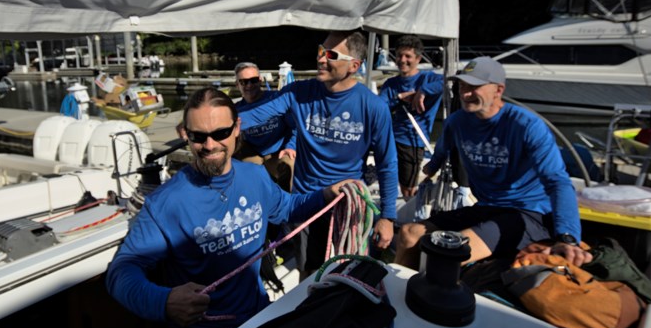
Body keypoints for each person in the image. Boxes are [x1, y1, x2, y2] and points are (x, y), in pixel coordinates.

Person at [105, 87, 357, 328]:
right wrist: (164, 302)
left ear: (237, 128)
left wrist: (326, 194)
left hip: (258, 318)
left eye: (220, 133)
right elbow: (121, 271)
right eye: (198, 136)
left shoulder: (256, 175)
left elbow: (286, 208)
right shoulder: (165, 203)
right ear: (184, 134)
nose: (210, 145)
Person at [393, 56, 591, 269]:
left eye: (474, 87)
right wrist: (426, 173)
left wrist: (568, 237)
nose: (466, 93)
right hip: (486, 207)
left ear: (498, 90)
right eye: (462, 86)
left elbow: (557, 182)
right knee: (409, 234)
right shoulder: (457, 122)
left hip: (527, 212)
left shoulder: (526, 126)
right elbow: (442, 150)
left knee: (449, 251)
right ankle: (392, 296)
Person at [237, 31, 400, 276]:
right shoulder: (298, 93)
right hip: (306, 201)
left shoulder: (374, 107)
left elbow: (387, 163)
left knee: (351, 270)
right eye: (320, 51)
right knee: (309, 272)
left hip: (347, 202)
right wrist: (214, 124)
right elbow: (258, 113)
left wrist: (388, 217)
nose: (321, 59)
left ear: (354, 65)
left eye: (331, 55)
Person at [377, 35, 444, 198]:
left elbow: (448, 82)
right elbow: (379, 107)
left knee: (409, 188)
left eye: (408, 56)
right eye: (399, 55)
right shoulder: (391, 84)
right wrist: (399, 98)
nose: (402, 60)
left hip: (413, 142)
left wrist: (422, 92)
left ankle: (409, 215)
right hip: (391, 140)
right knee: (390, 182)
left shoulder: (429, 78)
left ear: (418, 58)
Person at [232, 61, 295, 192]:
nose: (249, 85)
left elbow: (295, 126)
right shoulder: (235, 110)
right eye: (244, 82)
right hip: (254, 153)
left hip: (279, 150)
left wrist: (291, 146)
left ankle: (288, 205)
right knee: (248, 176)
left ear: (260, 80)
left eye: (253, 80)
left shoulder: (276, 99)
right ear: (237, 84)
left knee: (289, 165)